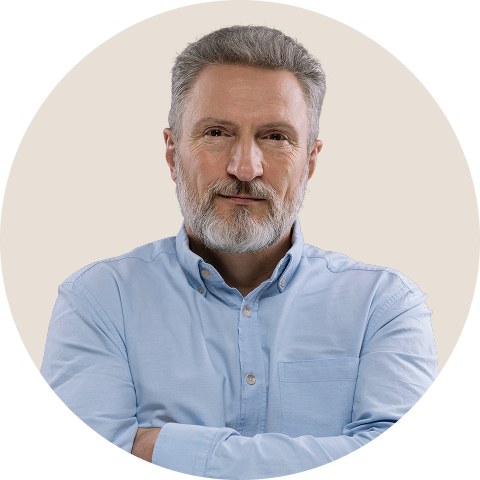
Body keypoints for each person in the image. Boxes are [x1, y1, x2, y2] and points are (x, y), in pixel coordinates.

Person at [40, 25, 439, 479]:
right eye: (216, 132)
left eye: (275, 137)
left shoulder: (383, 306)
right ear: (172, 153)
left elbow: (408, 466)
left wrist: (161, 447)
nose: (245, 168)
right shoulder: (99, 300)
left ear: (310, 160)